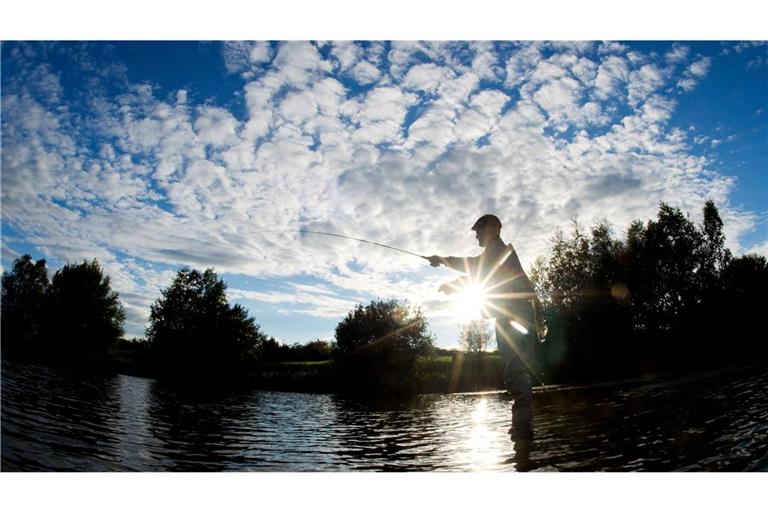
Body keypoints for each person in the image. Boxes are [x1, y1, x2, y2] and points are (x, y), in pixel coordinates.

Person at [427, 214, 542, 445]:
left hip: (516, 318)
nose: (476, 235)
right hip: (511, 317)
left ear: (492, 229)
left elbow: (475, 268)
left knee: (516, 373)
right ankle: (522, 429)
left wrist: (448, 273)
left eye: (478, 230)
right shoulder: (495, 253)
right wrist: (443, 262)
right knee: (514, 373)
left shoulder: (499, 251)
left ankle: (523, 432)